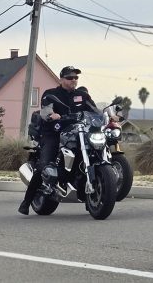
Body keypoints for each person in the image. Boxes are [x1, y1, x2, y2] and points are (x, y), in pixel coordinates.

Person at [18, 66, 98, 215]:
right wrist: (51, 114)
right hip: (54, 133)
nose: (73, 80)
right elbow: (46, 110)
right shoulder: (51, 94)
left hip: (78, 132)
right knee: (43, 165)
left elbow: (94, 110)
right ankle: (26, 202)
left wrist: (107, 116)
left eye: (76, 77)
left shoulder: (82, 95)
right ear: (61, 79)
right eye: (70, 77)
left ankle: (90, 196)